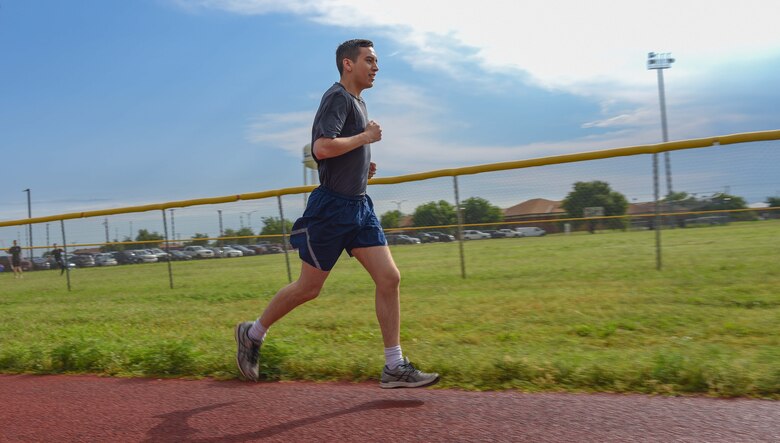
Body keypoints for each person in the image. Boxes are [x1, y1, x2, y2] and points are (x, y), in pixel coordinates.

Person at [235, 39, 439, 389]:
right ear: (348, 63)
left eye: (376, 61)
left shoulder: (358, 102)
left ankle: (394, 365)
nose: (376, 67)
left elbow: (339, 151)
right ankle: (252, 334)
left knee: (389, 278)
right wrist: (365, 138)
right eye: (369, 60)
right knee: (308, 288)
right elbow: (322, 147)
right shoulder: (337, 97)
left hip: (359, 206)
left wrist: (361, 167)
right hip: (331, 210)